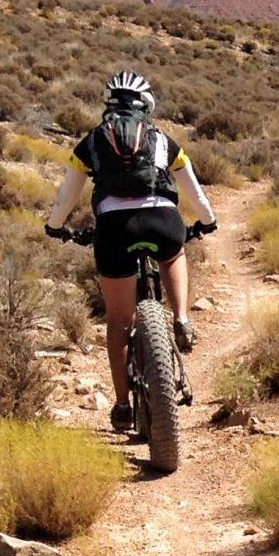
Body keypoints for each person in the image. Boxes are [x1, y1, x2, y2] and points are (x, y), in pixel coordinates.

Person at [44, 72, 218, 432]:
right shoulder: (163, 141)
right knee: (173, 253)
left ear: (108, 105)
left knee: (120, 321)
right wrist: (207, 222)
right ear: (147, 106)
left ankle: (123, 405)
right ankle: (182, 318)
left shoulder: (90, 143)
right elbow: (197, 196)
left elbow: (66, 198)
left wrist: (55, 227)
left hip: (114, 229)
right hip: (162, 220)